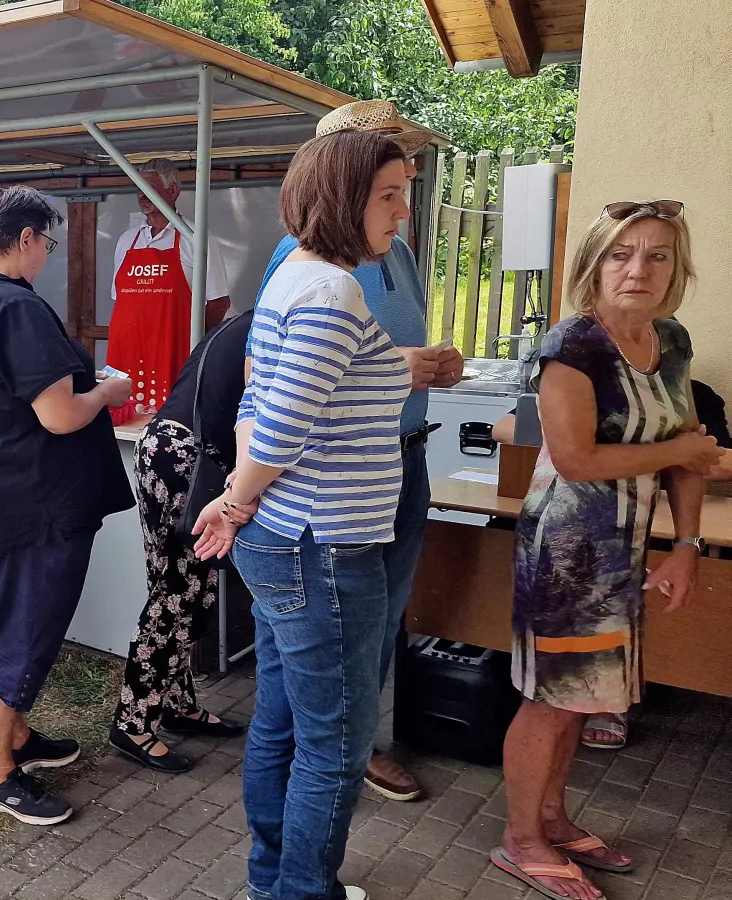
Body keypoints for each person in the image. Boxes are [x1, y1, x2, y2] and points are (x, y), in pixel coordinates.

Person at [189, 131, 413, 900]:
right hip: (322, 549)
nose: (403, 210)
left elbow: (257, 398)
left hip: (291, 540)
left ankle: (274, 883)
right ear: (344, 198)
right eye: (388, 194)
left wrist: (246, 497)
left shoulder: (296, 276)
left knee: (285, 723)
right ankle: (296, 891)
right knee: (336, 744)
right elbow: (279, 426)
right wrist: (237, 498)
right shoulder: (329, 290)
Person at [490, 201, 714, 900]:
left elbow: (690, 461)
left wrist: (685, 546)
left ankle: (552, 818)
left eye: (657, 255)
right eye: (621, 253)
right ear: (594, 263)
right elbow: (577, 459)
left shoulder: (669, 342)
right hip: (566, 555)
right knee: (551, 699)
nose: (638, 269)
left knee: (585, 700)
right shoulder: (572, 347)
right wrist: (680, 446)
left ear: (677, 269)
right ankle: (520, 840)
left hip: (625, 549)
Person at [254, 99, 458, 803]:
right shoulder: (306, 258)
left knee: (380, 614)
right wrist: (400, 367)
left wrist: (433, 365)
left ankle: (347, 746)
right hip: (330, 489)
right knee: (322, 634)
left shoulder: (393, 249)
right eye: (389, 167)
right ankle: (328, 756)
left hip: (402, 457)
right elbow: (272, 381)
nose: (403, 189)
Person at [0, 185, 133, 826]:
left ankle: (16, 737)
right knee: (18, 633)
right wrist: (110, 388)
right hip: (29, 504)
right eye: (47, 243)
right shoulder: (15, 307)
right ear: (23, 238)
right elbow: (60, 415)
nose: (46, 254)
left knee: (6, 622)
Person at [109, 310, 251, 772]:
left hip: (165, 448)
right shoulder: (275, 328)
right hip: (190, 460)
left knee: (181, 588)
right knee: (178, 596)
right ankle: (132, 722)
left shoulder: (241, 323)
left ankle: (175, 702)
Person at [105, 158, 232, 427]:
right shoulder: (127, 240)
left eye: (148, 187)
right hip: (125, 357)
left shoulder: (195, 237)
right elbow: (120, 301)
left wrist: (192, 346)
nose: (141, 195)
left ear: (172, 191)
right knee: (124, 424)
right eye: (137, 188)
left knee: (169, 426)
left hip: (172, 359)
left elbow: (219, 302)